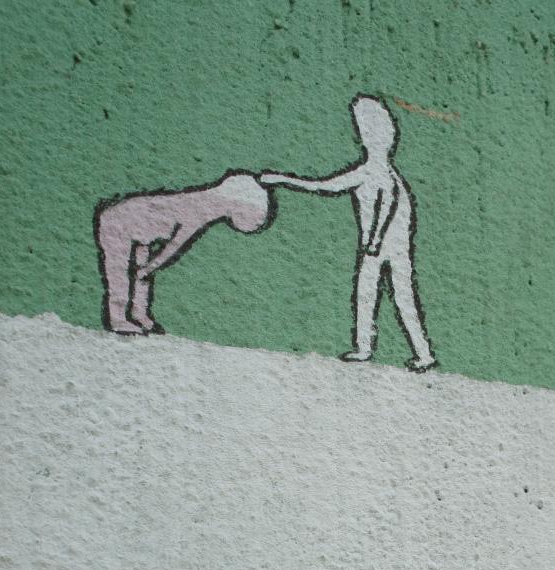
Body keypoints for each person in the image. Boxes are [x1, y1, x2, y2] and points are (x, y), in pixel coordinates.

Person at [262, 95, 436, 371]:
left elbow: (388, 201)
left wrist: (375, 240)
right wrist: (282, 179)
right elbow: (325, 186)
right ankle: (376, 348)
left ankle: (407, 351)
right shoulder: (370, 171)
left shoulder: (378, 172)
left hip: (381, 246)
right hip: (383, 246)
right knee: (378, 294)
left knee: (388, 295)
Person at [94, 172, 274, 334]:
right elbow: (174, 246)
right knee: (120, 271)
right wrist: (150, 267)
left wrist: (148, 268)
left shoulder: (202, 204)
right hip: (119, 221)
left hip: (141, 229)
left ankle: (139, 314)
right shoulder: (199, 209)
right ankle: (118, 318)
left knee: (142, 273)